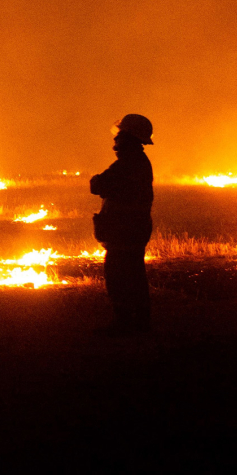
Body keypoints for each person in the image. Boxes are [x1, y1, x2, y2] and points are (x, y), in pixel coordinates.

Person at [90, 114, 155, 335]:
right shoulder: (137, 162)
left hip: (124, 230)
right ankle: (140, 322)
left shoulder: (127, 164)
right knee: (134, 275)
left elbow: (99, 186)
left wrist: (96, 180)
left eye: (119, 135)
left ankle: (125, 324)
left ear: (128, 137)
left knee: (119, 277)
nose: (115, 141)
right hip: (133, 229)